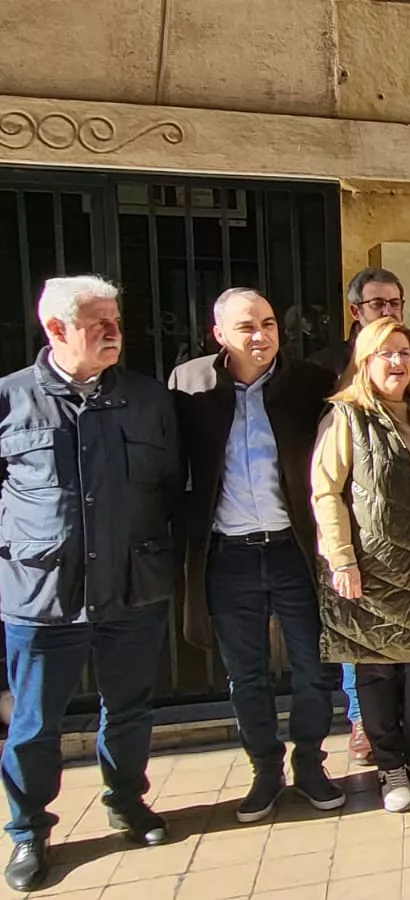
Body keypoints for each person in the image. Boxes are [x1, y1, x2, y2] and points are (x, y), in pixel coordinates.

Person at [0, 277, 181, 891]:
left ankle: (126, 800)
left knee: (129, 709)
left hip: (133, 585)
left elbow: (171, 486)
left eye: (117, 321)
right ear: (56, 330)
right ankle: (29, 832)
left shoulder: (148, 399)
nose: (114, 332)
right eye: (98, 322)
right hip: (43, 592)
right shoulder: (11, 399)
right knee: (34, 723)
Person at [168, 289, 343, 824]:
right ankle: (265, 769)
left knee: (314, 668)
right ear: (218, 334)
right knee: (247, 675)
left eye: (268, 323)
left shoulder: (308, 384)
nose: (261, 335)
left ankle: (310, 762)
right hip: (228, 555)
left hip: (293, 550)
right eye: (247, 327)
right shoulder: (190, 384)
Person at [311, 318, 410, 813]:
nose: (398, 363)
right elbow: (326, 491)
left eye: (406, 353)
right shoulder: (346, 416)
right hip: (371, 565)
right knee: (376, 671)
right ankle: (389, 764)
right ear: (365, 360)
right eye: (386, 354)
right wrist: (341, 558)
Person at [308, 267, 410, 761]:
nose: (388, 312)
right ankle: (367, 726)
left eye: (395, 304)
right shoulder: (330, 381)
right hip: (366, 551)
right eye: (378, 304)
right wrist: (340, 556)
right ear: (356, 312)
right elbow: (325, 487)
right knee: (369, 651)